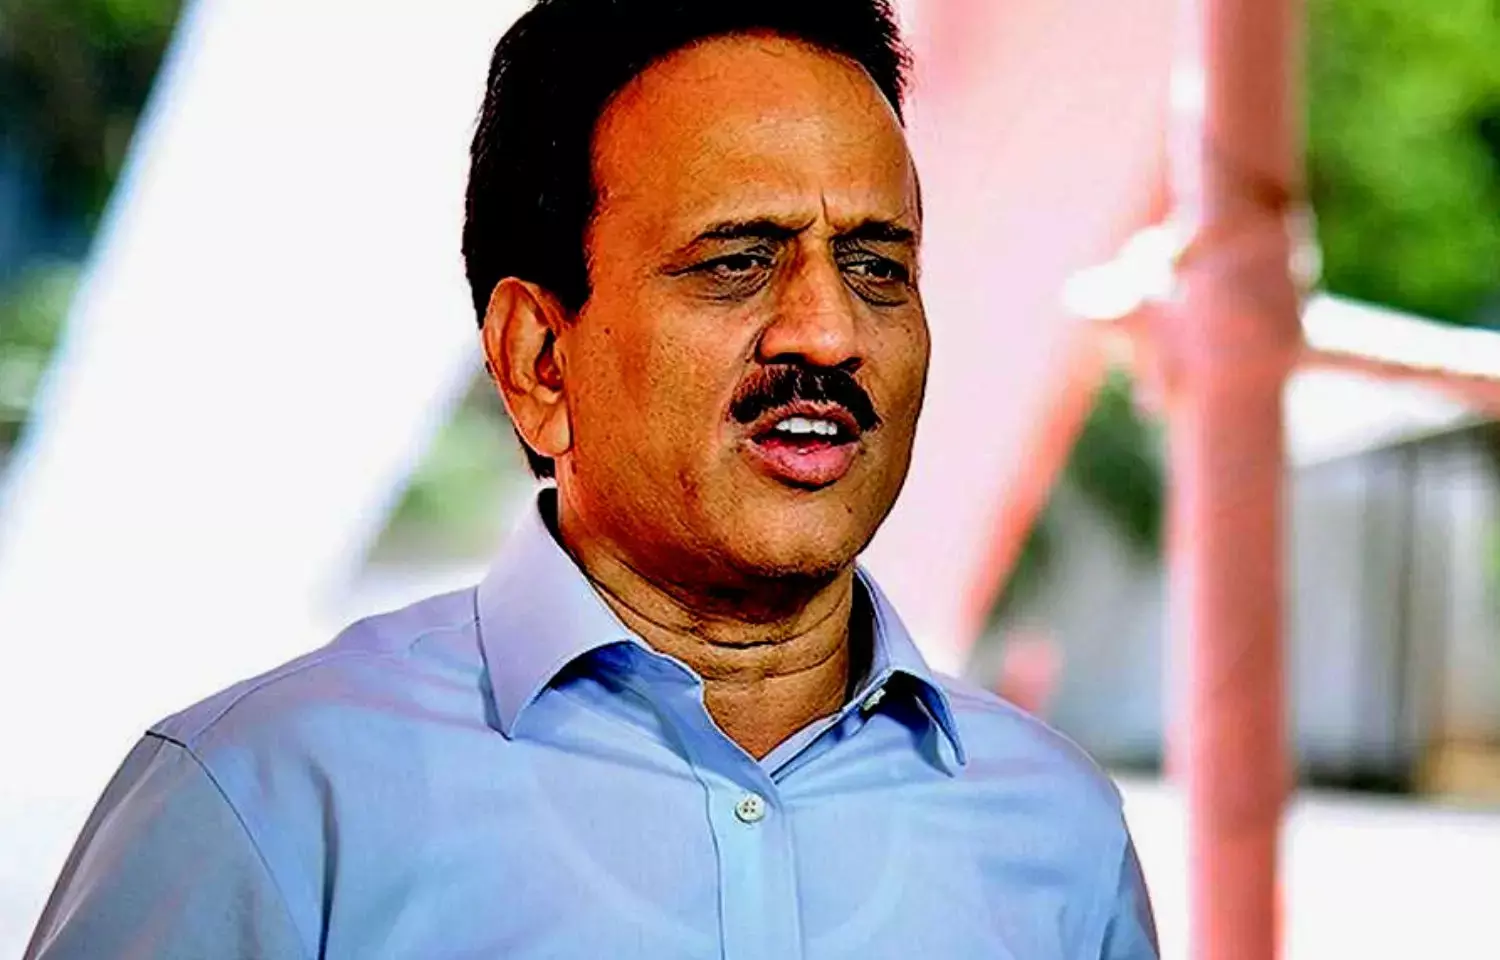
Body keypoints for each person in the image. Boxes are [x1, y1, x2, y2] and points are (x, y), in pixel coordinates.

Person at [25, 1, 1158, 957]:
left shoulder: (1055, 832)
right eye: (736, 262)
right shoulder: (270, 799)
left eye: (875, 266)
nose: (828, 331)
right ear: (538, 359)